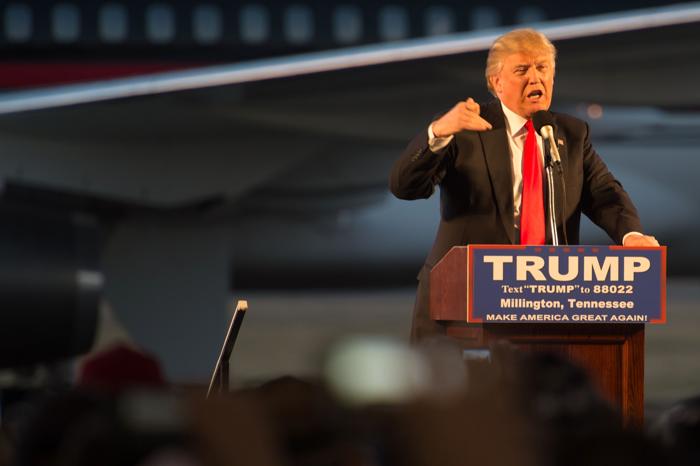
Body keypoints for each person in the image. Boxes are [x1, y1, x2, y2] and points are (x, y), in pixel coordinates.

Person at [390, 28, 659, 342]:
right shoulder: (465, 129)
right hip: (461, 303)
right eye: (522, 70)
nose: (536, 79)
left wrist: (632, 234)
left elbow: (604, 193)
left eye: (543, 68)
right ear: (496, 83)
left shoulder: (570, 134)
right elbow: (406, 186)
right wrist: (437, 132)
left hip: (543, 304)